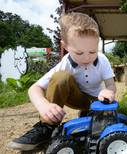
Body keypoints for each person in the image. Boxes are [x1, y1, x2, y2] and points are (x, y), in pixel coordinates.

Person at [8, 12, 116, 151]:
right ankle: (47, 127)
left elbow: (111, 84)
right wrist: (44, 106)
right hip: (77, 98)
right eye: (79, 53)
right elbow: (34, 88)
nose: (86, 58)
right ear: (65, 46)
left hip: (98, 101)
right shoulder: (66, 63)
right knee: (60, 77)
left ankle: (88, 114)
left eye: (92, 51)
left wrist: (109, 90)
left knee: (97, 126)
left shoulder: (102, 60)